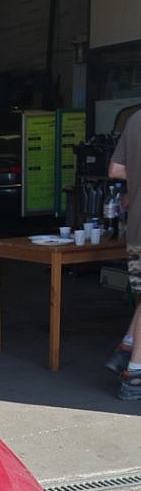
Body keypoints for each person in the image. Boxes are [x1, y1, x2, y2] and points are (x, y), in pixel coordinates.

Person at [107, 107, 141, 401]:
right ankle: (134, 373)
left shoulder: (134, 119)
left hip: (136, 228)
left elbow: (115, 170)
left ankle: (127, 347)